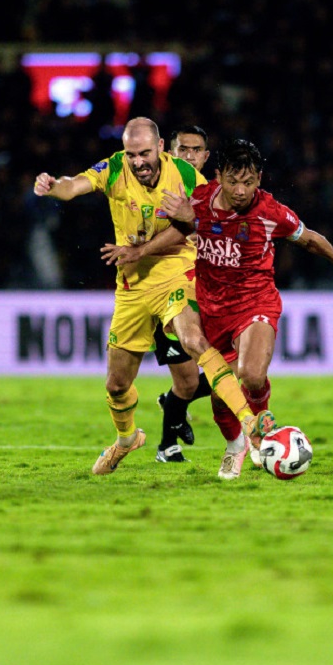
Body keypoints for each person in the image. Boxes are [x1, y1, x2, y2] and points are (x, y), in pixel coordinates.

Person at [35, 118, 268, 476]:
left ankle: (250, 425)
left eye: (145, 153)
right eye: (132, 154)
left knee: (194, 340)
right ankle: (127, 439)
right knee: (116, 385)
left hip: (178, 272)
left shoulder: (188, 178)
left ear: (160, 148)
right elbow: (74, 186)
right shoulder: (114, 168)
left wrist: (142, 251)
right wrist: (53, 186)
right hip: (131, 286)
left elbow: (195, 227)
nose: (138, 162)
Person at [155, 139, 333, 478]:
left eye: (249, 181)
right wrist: (179, 225)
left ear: (260, 179)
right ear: (218, 176)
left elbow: (309, 238)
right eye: (233, 181)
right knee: (221, 399)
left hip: (256, 301)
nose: (241, 190)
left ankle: (262, 431)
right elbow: (175, 234)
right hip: (212, 308)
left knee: (252, 376)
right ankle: (236, 445)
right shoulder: (197, 201)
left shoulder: (271, 213)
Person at [151, 125, 215, 458]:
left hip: (211, 294)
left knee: (236, 366)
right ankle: (167, 446)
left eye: (196, 150)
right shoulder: (158, 192)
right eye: (183, 149)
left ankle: (172, 403)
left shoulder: (216, 195)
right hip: (171, 295)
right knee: (188, 382)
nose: (189, 155)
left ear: (205, 156)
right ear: (170, 153)